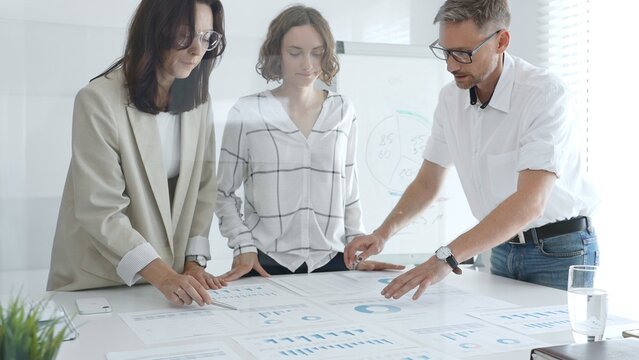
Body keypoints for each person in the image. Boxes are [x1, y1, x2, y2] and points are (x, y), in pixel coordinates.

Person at [345, 0, 599, 299]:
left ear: (501, 41)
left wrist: (446, 257)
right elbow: (428, 182)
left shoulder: (543, 93)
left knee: (554, 346)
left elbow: (531, 202)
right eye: (445, 51)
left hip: (559, 249)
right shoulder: (450, 99)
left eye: (463, 54)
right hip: (501, 246)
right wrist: (382, 233)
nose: (451, 65)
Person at [47, 0, 228, 307]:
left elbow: (203, 187)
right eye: (185, 34)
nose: (197, 51)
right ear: (154, 31)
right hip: (100, 281)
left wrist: (195, 261)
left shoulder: (198, 99)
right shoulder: (98, 101)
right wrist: (165, 277)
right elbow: (101, 211)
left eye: (206, 37)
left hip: (165, 284)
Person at [216, 5, 404, 280]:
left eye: (317, 53)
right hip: (264, 262)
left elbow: (349, 190)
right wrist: (242, 245)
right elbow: (222, 193)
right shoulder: (247, 111)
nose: (307, 64)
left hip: (335, 262)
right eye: (295, 53)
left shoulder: (343, 110)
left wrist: (358, 245)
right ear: (277, 53)